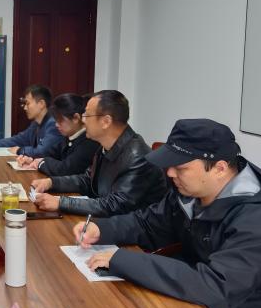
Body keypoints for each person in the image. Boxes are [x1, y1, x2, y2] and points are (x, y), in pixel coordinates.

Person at [78, 119, 261, 308]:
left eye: (180, 168)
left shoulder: (260, 218)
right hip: (193, 295)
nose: (170, 173)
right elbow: (148, 223)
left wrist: (123, 260)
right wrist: (101, 229)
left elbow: (217, 287)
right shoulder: (191, 191)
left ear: (219, 168)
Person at [31, 90, 166, 216]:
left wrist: (61, 202)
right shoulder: (105, 145)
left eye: (87, 115)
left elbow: (114, 205)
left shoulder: (137, 156)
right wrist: (51, 182)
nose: (83, 120)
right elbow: (88, 180)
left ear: (106, 121)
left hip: (133, 230)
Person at [16, 93, 99, 177]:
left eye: (60, 120)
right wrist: (32, 160)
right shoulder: (68, 137)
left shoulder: (89, 142)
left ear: (76, 118)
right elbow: (50, 153)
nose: (56, 125)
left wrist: (40, 163)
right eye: (56, 120)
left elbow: (65, 169)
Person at [0, 84, 62, 157]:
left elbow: (42, 151)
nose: (25, 108)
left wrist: (20, 150)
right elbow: (18, 140)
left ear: (41, 104)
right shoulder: (35, 124)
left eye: (28, 104)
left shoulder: (54, 124)